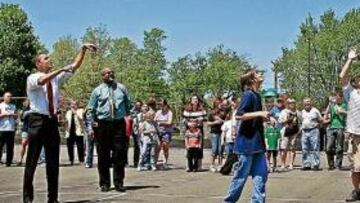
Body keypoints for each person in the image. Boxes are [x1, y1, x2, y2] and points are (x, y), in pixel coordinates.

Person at [23, 43, 96, 203]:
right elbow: (42, 81)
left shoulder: (56, 77)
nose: (50, 60)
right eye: (46, 58)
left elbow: (74, 66)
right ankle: (28, 198)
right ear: (38, 64)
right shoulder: (33, 77)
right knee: (32, 162)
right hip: (37, 120)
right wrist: (60, 70)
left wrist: (82, 49)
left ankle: (53, 198)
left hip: (51, 121)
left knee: (53, 163)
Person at [224, 69, 269, 203]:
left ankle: (257, 201)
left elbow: (254, 117)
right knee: (240, 176)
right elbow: (239, 115)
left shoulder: (257, 95)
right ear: (252, 80)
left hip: (258, 144)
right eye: (257, 74)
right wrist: (260, 113)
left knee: (261, 176)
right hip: (246, 144)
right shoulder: (248, 95)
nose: (261, 75)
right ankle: (229, 201)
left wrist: (265, 118)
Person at [86, 67, 131, 193]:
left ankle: (119, 182)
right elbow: (90, 109)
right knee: (103, 155)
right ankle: (104, 183)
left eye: (111, 72)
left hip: (118, 124)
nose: (109, 74)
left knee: (119, 154)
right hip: (103, 125)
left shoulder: (122, 88)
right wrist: (91, 125)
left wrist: (129, 117)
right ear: (102, 76)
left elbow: (129, 105)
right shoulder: (97, 91)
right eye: (106, 73)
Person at [339, 48, 360, 202]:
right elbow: (342, 76)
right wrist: (350, 59)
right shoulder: (350, 93)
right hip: (355, 135)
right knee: (357, 167)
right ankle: (356, 191)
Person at [182, 95, 207, 171]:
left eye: (196, 99)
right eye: (194, 99)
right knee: (188, 148)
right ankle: (188, 166)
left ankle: (198, 166)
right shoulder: (187, 109)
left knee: (199, 148)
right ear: (191, 100)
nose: (195, 100)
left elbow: (205, 118)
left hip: (199, 130)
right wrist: (188, 124)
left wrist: (200, 120)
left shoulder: (202, 109)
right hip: (189, 130)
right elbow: (184, 119)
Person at [324, 91, 347, 170]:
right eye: (335, 97)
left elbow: (349, 113)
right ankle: (331, 164)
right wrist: (325, 119)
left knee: (339, 147)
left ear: (341, 98)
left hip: (341, 127)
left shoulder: (345, 104)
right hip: (331, 127)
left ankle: (338, 165)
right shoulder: (331, 105)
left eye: (338, 98)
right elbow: (326, 113)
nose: (336, 99)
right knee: (329, 147)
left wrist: (342, 112)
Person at [278, 98, 301, 170]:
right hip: (285, 131)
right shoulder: (283, 112)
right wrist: (287, 120)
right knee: (284, 148)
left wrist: (299, 130)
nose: (292, 104)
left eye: (293, 103)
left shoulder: (298, 112)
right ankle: (283, 164)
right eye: (290, 103)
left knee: (292, 148)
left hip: (294, 132)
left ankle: (291, 164)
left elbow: (301, 122)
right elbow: (280, 121)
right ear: (287, 104)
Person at [301, 98, 323, 171]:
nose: (307, 103)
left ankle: (315, 164)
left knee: (315, 148)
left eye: (308, 102)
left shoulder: (315, 111)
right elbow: (301, 121)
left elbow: (321, 120)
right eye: (305, 102)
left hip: (314, 130)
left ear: (311, 103)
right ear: (303, 104)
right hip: (304, 131)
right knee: (304, 148)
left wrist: (317, 125)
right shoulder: (302, 111)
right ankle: (306, 164)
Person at [64, 100, 85, 165]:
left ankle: (81, 160)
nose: (73, 106)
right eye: (71, 104)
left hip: (78, 131)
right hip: (69, 131)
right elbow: (66, 121)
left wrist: (75, 112)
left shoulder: (80, 111)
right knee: (70, 146)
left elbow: (81, 118)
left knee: (80, 146)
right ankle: (71, 160)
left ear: (77, 105)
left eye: (74, 104)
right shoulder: (68, 112)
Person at [154, 99, 173, 169]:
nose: (161, 107)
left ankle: (165, 162)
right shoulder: (158, 112)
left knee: (165, 146)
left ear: (165, 105)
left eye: (162, 105)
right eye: (159, 106)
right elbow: (155, 121)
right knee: (157, 147)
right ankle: (155, 162)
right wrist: (164, 122)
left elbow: (169, 122)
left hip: (166, 132)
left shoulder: (169, 112)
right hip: (159, 132)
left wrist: (161, 122)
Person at [208, 101, 226, 172]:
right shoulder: (211, 113)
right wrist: (214, 122)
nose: (221, 105)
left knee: (220, 149)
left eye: (221, 104)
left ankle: (220, 165)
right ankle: (212, 165)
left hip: (222, 132)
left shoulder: (223, 112)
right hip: (214, 133)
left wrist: (221, 120)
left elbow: (226, 121)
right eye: (219, 104)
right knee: (214, 149)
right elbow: (208, 123)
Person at [0, 92, 17, 166]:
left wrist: (14, 115)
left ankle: (8, 162)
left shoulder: (13, 106)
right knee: (0, 146)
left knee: (10, 147)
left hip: (11, 129)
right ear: (3, 97)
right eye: (8, 96)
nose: (9, 98)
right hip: (2, 129)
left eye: (10, 96)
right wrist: (4, 114)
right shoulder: (0, 105)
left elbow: (16, 116)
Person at [17, 100, 31, 166]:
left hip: (34, 129)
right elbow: (21, 118)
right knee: (23, 143)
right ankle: (21, 159)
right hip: (26, 128)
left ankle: (32, 160)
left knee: (33, 145)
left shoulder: (37, 110)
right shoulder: (24, 110)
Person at [130, 100, 142, 168]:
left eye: (139, 105)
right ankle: (136, 162)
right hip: (135, 131)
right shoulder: (132, 111)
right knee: (137, 146)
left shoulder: (143, 111)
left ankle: (142, 161)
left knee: (141, 146)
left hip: (142, 131)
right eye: (137, 105)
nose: (138, 106)